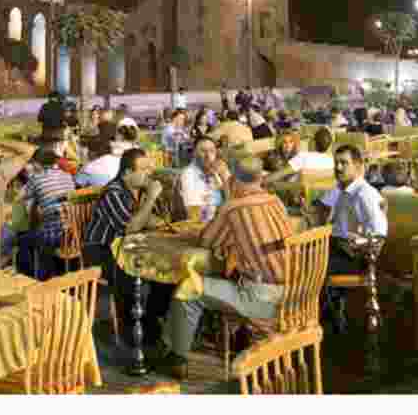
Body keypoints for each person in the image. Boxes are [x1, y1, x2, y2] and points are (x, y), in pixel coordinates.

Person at [152, 155, 294, 381]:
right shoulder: (275, 201)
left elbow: (206, 241)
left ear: (235, 180)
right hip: (295, 294)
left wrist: (228, 200)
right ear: (260, 178)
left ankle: (175, 356)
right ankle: (167, 345)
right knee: (216, 279)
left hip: (262, 299)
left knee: (189, 288)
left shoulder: (233, 208)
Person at [83, 147, 173, 346]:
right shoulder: (113, 193)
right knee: (132, 274)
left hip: (125, 247)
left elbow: (151, 221)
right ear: (127, 173)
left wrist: (153, 206)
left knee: (165, 270)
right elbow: (130, 227)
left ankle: (152, 324)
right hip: (101, 250)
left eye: (149, 169)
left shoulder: (138, 191)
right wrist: (150, 199)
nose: (148, 174)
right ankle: (133, 333)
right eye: (143, 169)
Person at [311, 143, 388, 275]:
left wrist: (356, 245)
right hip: (336, 248)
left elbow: (379, 235)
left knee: (309, 266)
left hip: (352, 257)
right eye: (336, 163)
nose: (338, 167)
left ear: (357, 166)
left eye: (344, 163)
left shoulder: (364, 193)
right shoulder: (344, 190)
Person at [10, 146, 73, 279]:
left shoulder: (36, 178)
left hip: (52, 234)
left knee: (22, 240)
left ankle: (30, 278)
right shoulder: (67, 176)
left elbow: (18, 199)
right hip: (73, 232)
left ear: (37, 164)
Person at [178, 137, 230, 220]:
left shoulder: (219, 171)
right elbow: (194, 214)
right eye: (203, 151)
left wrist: (224, 176)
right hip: (204, 225)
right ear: (194, 153)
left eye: (212, 151)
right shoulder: (189, 174)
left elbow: (233, 200)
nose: (208, 155)